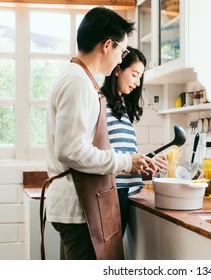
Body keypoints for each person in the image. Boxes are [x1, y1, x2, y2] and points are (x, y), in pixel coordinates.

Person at [45, 7, 157, 260]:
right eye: (122, 51)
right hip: (78, 207)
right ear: (108, 44)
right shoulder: (77, 82)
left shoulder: (77, 78)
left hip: (79, 205)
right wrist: (126, 161)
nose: (121, 59)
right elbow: (71, 151)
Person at [101, 47, 167, 234]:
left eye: (140, 77)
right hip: (109, 195)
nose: (137, 83)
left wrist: (144, 163)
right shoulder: (100, 103)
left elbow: (119, 151)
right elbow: (97, 153)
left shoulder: (119, 107)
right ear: (118, 69)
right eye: (134, 75)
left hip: (121, 193)